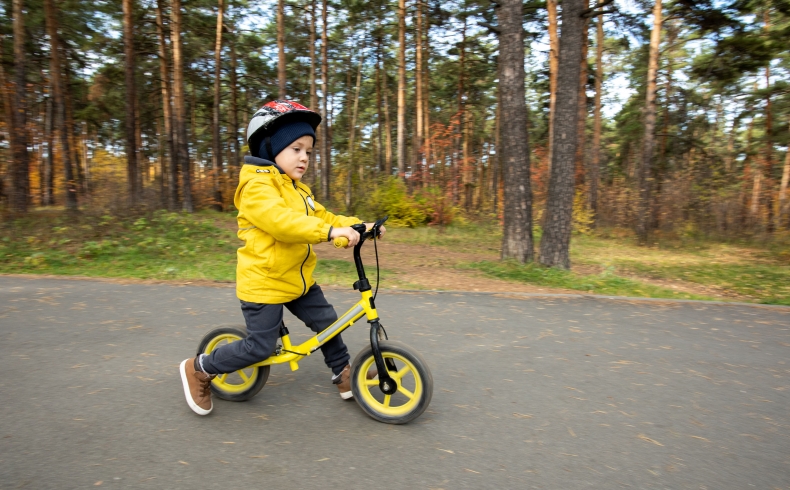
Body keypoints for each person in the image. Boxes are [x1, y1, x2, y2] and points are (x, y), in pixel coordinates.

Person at [179, 100, 385, 416]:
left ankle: (344, 374)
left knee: (328, 323)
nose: (304, 157)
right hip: (264, 283)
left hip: (297, 280)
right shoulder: (256, 186)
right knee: (260, 347)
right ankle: (200, 368)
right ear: (269, 146)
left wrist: (360, 226)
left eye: (309, 151)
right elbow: (280, 222)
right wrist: (327, 233)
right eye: (296, 148)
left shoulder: (298, 190)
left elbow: (325, 216)